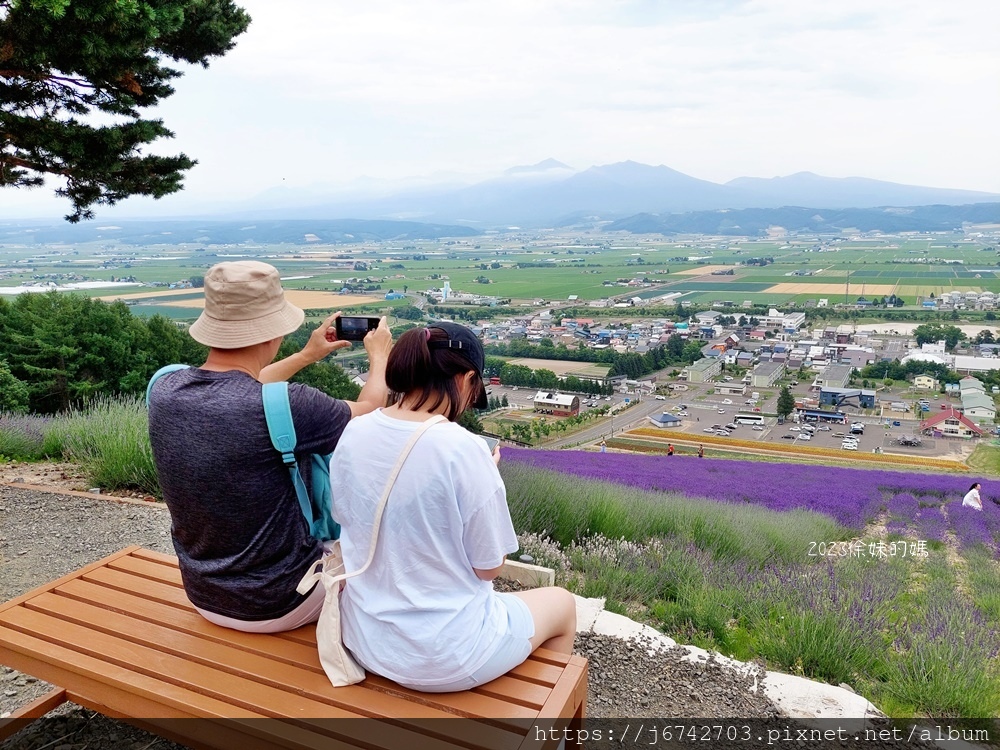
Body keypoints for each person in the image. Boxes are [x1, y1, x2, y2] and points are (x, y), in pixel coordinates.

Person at [148, 261, 392, 633]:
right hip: (282, 602)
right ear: (273, 332)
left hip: (203, 595)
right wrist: (380, 359)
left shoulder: (164, 389)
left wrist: (308, 356)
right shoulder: (295, 406)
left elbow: (237, 387)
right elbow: (372, 412)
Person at [331, 322, 577, 692]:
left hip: (364, 640)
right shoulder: (464, 450)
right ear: (465, 380)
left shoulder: (354, 431)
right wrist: (484, 478)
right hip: (445, 658)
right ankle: (544, 724)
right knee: (562, 603)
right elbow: (488, 569)